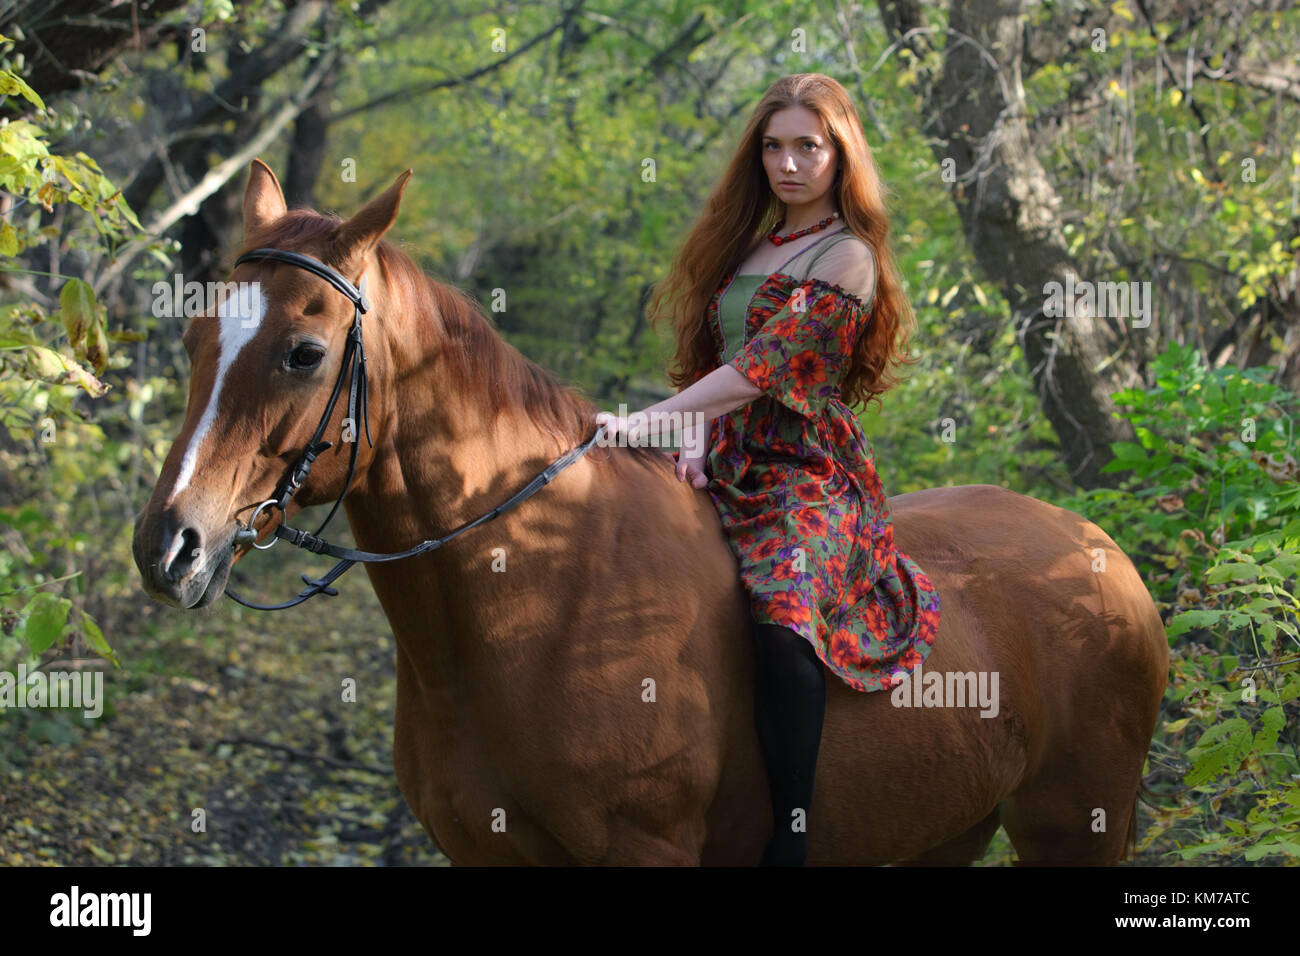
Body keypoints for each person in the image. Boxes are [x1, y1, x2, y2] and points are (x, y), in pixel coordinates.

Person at [595, 73, 941, 867]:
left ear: (839, 153)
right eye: (774, 147)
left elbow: (762, 369)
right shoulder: (751, 244)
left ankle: (791, 830)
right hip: (721, 454)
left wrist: (648, 422)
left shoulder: (846, 255)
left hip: (800, 469)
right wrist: (691, 434)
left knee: (783, 623)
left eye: (807, 147)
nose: (788, 163)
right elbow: (715, 364)